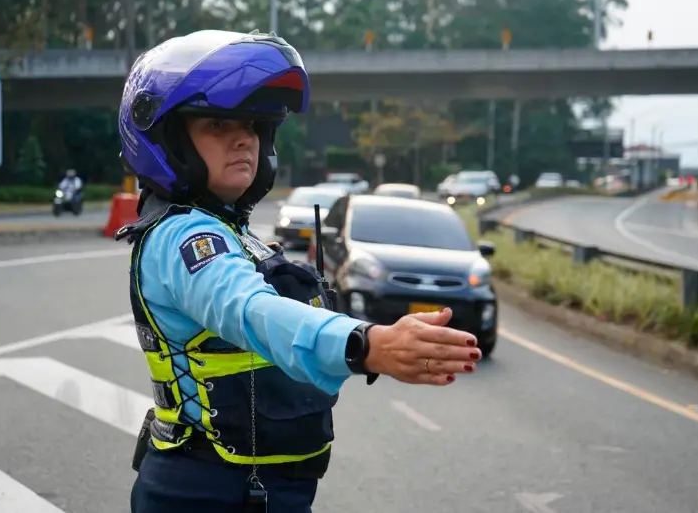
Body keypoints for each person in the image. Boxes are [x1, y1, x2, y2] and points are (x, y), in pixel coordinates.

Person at [114, 29, 482, 513]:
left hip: (254, 486)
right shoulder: (184, 237)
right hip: (206, 489)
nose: (243, 138)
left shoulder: (232, 233)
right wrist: (366, 344)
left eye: (252, 125)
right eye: (217, 126)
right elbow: (250, 310)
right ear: (167, 138)